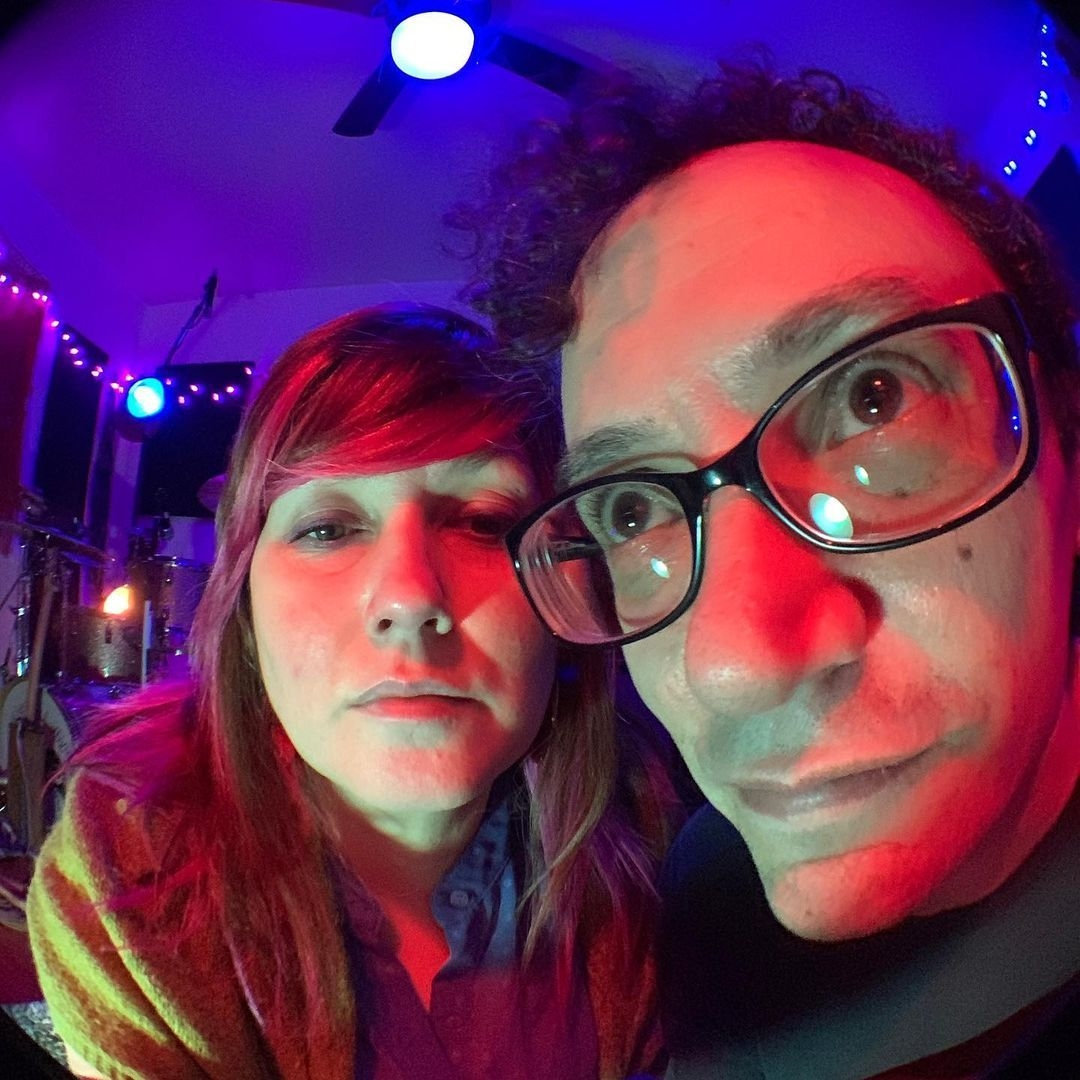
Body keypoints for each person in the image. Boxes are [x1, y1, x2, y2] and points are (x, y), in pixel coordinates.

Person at [457, 59, 1080, 1077]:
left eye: (875, 399)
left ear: (1067, 450)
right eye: (631, 510)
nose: (733, 664)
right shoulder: (681, 914)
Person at [26, 303, 675, 1080]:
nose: (409, 596)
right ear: (245, 614)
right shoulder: (126, 878)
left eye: (482, 521)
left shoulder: (676, 851)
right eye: (327, 528)